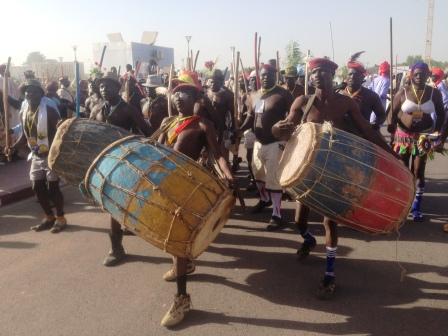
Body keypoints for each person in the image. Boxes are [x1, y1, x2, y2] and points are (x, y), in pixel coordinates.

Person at [272, 57, 397, 298]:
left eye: (322, 72)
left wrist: (390, 153)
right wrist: (277, 129)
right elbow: (283, 128)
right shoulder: (303, 102)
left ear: (332, 74)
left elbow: (366, 130)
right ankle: (308, 239)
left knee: (329, 221)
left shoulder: (345, 103)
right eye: (314, 72)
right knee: (299, 221)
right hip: (307, 173)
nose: (317, 76)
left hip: (334, 172)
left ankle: (329, 274)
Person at [157, 70, 234, 327]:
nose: (179, 97)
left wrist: (227, 174)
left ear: (196, 96)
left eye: (185, 92)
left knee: (178, 240)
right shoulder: (168, 121)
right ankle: (185, 265)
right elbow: (153, 146)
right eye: (176, 92)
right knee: (170, 235)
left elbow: (218, 153)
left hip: (187, 188)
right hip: (164, 186)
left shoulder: (203, 124)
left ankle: (182, 299)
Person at [90, 72, 152, 266]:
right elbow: (90, 130)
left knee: (113, 206)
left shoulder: (129, 110)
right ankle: (125, 227)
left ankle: (116, 249)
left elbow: (147, 132)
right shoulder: (97, 108)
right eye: (101, 86)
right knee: (115, 205)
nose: (103, 89)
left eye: (108, 86)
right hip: (103, 162)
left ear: (118, 88)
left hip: (123, 162)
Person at [388, 61, 445, 222]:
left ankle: (416, 206)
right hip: (403, 137)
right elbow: (391, 113)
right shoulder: (403, 92)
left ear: (428, 75)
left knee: (418, 171)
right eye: (417, 73)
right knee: (403, 171)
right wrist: (392, 126)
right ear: (411, 74)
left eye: (423, 73)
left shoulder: (434, 93)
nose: (419, 76)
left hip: (423, 138)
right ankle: (402, 203)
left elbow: (441, 114)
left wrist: (438, 133)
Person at [240, 63, 293, 230]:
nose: (264, 77)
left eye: (268, 75)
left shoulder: (283, 94)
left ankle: (277, 214)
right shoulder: (255, 95)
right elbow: (250, 117)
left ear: (275, 76)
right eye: (262, 75)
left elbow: (293, 116)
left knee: (273, 179)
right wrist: (238, 129)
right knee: (258, 175)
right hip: (258, 142)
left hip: (275, 143)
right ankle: (264, 200)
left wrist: (286, 135)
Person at [15, 79, 67, 233]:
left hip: (51, 155)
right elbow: (25, 137)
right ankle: (49, 217)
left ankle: (61, 218)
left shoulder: (49, 111)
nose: (31, 94)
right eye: (28, 91)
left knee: (53, 188)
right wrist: (12, 148)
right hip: (36, 155)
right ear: (24, 94)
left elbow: (61, 133)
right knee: (36, 187)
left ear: (41, 94)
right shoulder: (24, 113)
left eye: (35, 91)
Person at [339, 54, 386, 131]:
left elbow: (381, 115)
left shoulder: (371, 96)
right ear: (346, 77)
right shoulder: (338, 94)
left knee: (382, 143)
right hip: (341, 136)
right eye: (350, 74)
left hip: (363, 136)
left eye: (356, 75)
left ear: (362, 78)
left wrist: (375, 125)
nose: (352, 77)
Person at [205, 69, 235, 163]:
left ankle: (226, 175)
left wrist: (234, 129)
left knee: (223, 155)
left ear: (221, 82)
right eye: (211, 81)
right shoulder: (205, 94)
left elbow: (233, 113)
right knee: (209, 156)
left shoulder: (228, 95)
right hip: (208, 128)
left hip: (222, 129)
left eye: (216, 81)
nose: (213, 84)